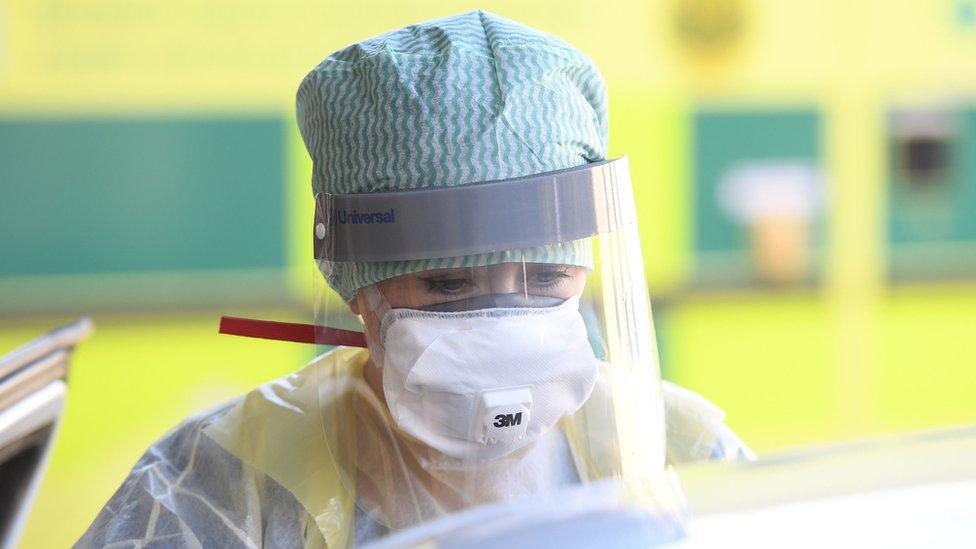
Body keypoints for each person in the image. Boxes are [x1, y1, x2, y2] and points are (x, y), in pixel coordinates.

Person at [77, 10, 751, 548]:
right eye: (450, 286)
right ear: (358, 290)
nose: (508, 327)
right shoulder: (225, 486)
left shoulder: (686, 458)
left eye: (546, 275)